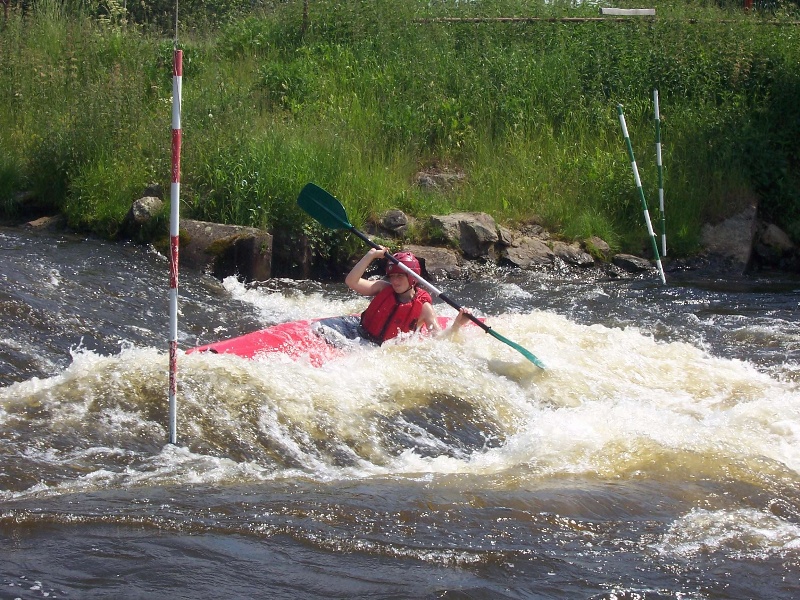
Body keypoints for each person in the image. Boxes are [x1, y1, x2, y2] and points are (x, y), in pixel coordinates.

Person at [342, 247, 470, 345]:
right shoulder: (382, 287)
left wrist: (456, 325)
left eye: (400, 276)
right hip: (360, 336)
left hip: (385, 352)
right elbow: (351, 281)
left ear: (412, 278)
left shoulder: (424, 308)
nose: (394, 281)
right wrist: (371, 255)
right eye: (392, 276)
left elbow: (438, 339)